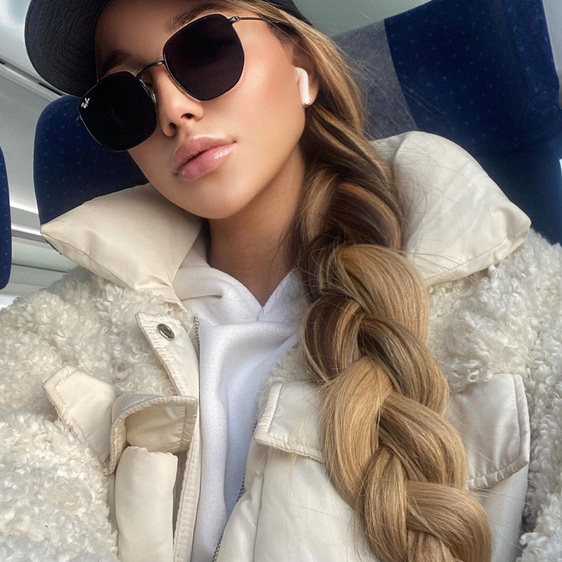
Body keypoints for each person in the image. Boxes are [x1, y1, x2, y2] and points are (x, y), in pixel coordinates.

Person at [1, 0, 561, 560]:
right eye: (125, 99)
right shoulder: (57, 339)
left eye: (204, 50)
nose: (173, 109)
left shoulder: (520, 300)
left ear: (304, 68)